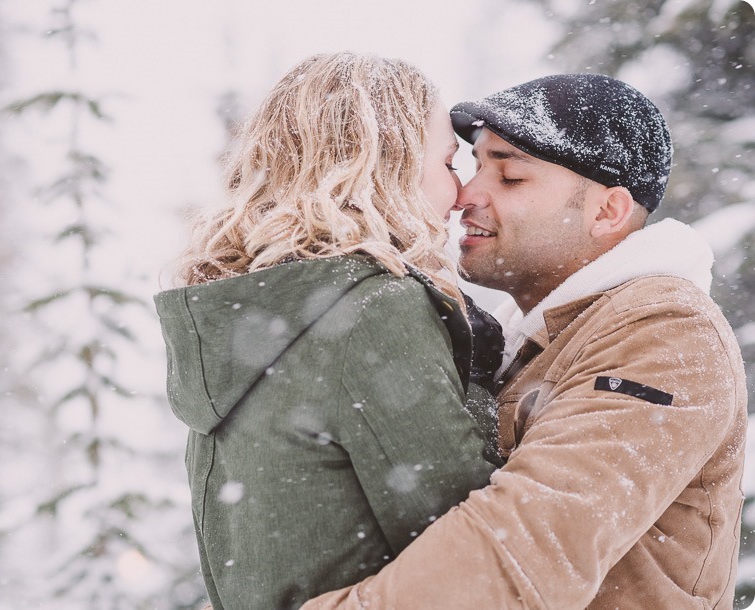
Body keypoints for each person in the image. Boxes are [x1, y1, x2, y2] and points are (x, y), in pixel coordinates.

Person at [303, 74, 747, 609]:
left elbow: (532, 545)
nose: (466, 195)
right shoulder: (535, 334)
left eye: (510, 176)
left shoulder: (667, 332)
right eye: (472, 166)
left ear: (607, 212)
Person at [154, 52, 498, 610]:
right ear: (389, 164)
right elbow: (475, 539)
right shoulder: (369, 310)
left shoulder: (251, 311)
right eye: (448, 164)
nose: (459, 196)